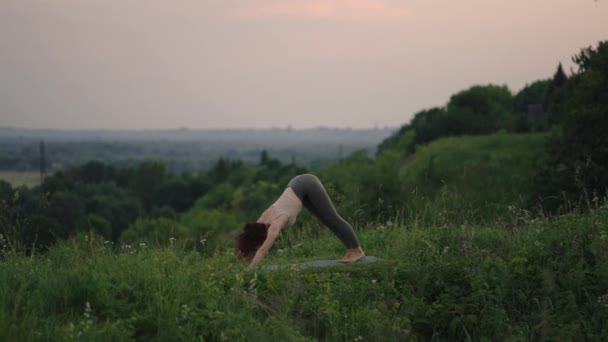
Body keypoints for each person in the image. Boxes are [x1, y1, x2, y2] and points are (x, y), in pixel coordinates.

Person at [235, 174, 366, 269]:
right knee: (325, 220)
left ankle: (357, 250)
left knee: (332, 217)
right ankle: (351, 251)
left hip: (307, 183)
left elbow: (263, 250)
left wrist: (249, 270)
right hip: (297, 188)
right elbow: (253, 241)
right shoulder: (261, 221)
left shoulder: (276, 223)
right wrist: (243, 259)